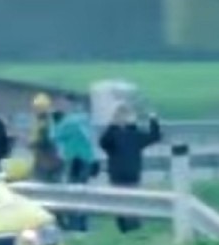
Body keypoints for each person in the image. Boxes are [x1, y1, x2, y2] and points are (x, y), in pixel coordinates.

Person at [99, 103, 162, 233]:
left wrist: (153, 119)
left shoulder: (135, 134)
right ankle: (125, 228)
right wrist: (113, 125)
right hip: (118, 174)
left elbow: (154, 136)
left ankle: (133, 228)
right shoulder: (113, 134)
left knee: (132, 201)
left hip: (130, 173)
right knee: (121, 203)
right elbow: (103, 143)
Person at [51, 96, 96, 233]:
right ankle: (82, 223)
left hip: (74, 159)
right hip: (86, 159)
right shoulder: (85, 119)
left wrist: (54, 121)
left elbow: (54, 136)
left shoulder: (68, 122)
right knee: (82, 191)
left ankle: (75, 224)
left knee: (73, 192)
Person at [28, 93, 64, 183]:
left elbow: (46, 141)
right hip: (44, 159)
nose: (34, 110)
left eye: (36, 108)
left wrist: (33, 144)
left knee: (44, 182)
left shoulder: (46, 122)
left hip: (47, 160)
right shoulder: (42, 121)